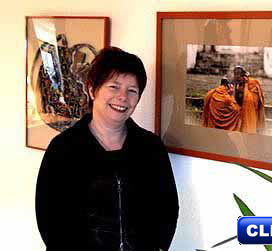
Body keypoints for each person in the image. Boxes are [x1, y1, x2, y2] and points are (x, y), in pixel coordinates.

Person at [35, 47, 179, 251]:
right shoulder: (64, 149)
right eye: (114, 87)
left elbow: (167, 210)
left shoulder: (151, 148)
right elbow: (50, 220)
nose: (123, 97)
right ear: (92, 90)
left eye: (132, 90)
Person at [232, 66, 265, 133]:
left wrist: (246, 86)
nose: (238, 81)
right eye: (236, 79)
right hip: (241, 112)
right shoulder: (238, 84)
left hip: (251, 111)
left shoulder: (253, 83)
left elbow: (252, 100)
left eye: (239, 79)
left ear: (244, 76)